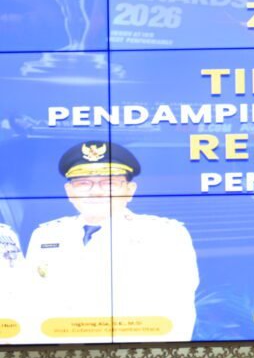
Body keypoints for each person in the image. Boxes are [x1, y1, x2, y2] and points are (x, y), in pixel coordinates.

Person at [24, 141, 199, 343]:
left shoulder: (165, 235)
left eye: (109, 184)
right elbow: (31, 305)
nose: (96, 192)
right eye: (83, 184)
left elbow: (176, 314)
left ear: (130, 190)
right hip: (56, 355)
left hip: (133, 356)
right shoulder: (45, 235)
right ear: (70, 192)